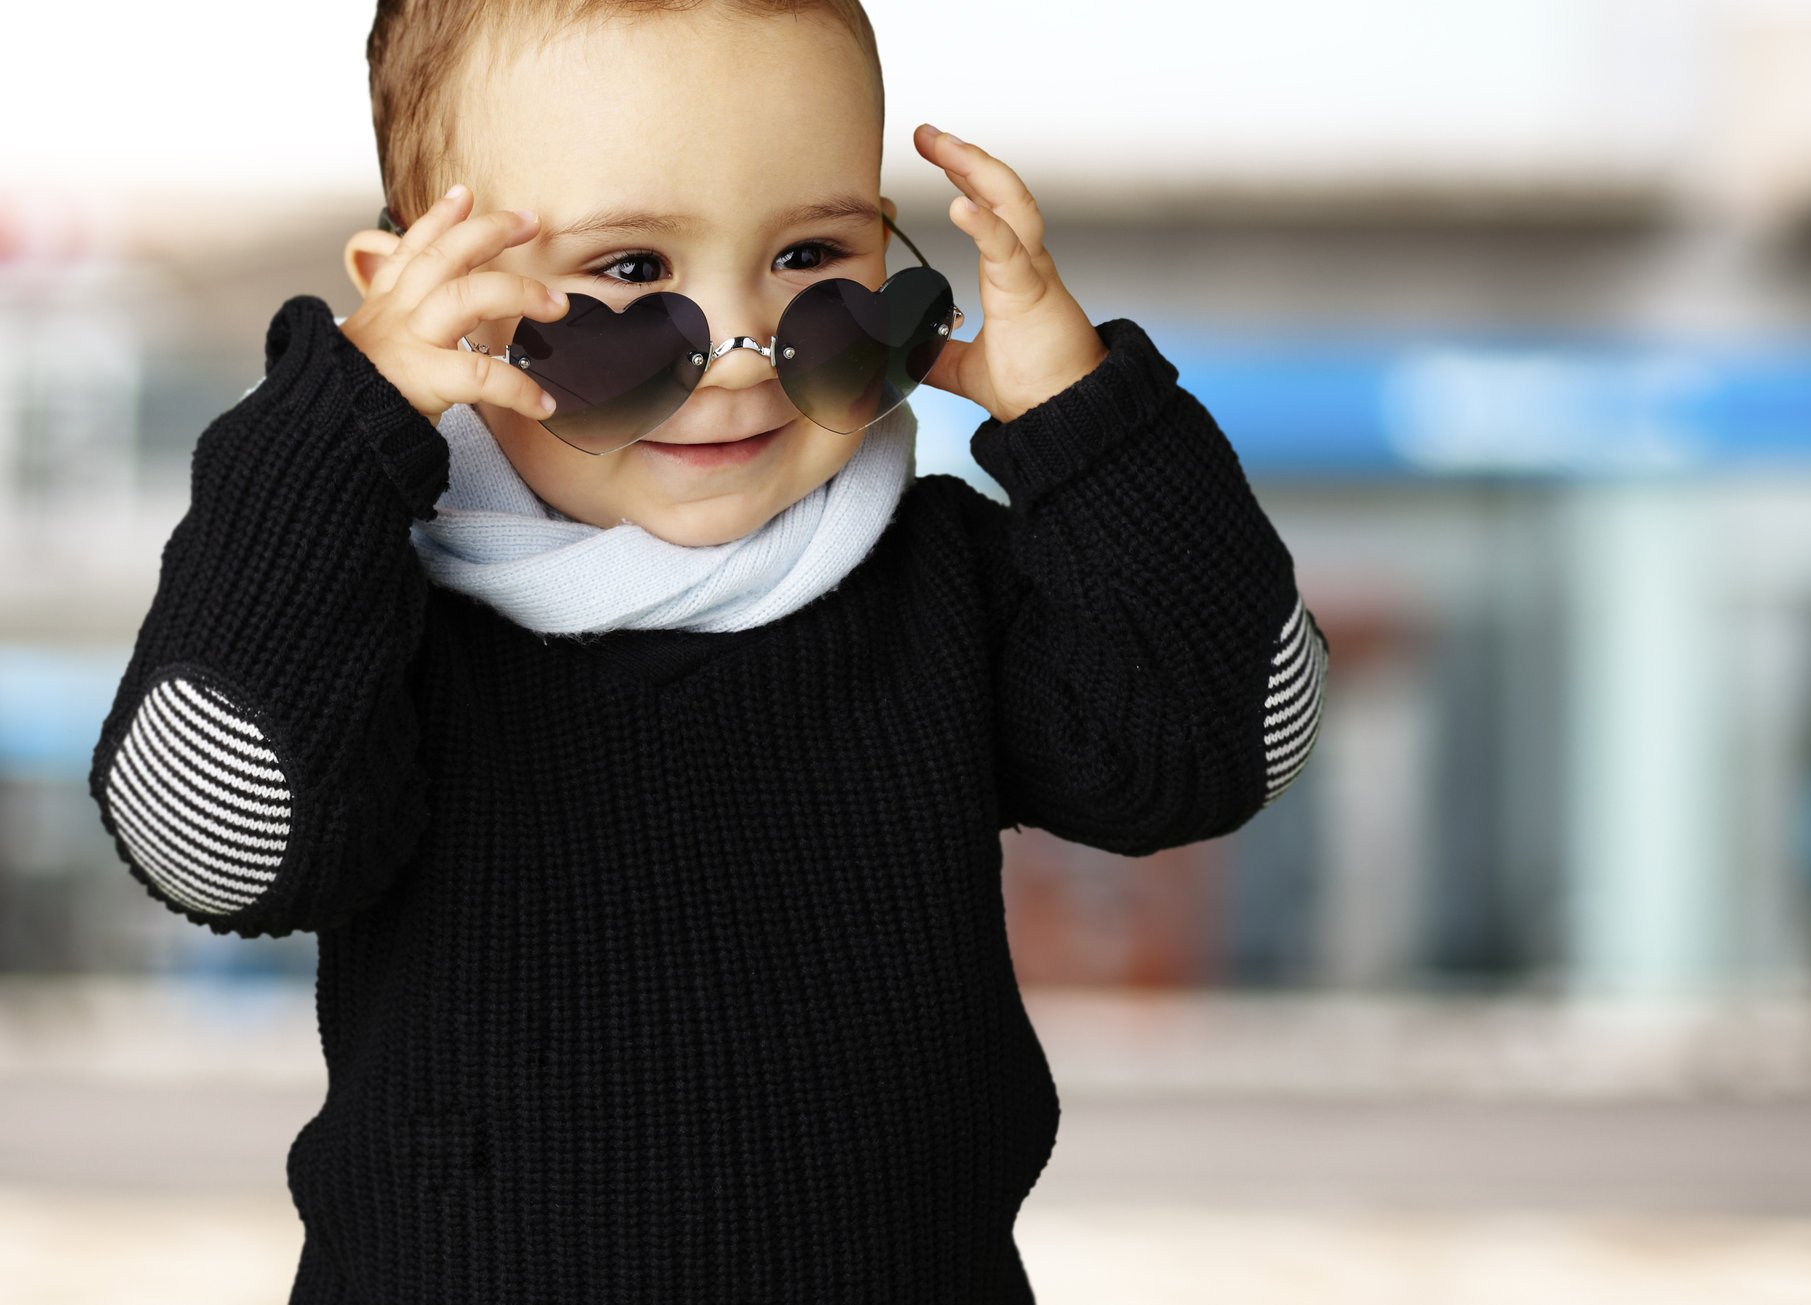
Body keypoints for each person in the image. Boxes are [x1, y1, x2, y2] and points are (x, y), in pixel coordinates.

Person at [85, 1, 1330, 1300]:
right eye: (629, 275)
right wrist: (333, 439)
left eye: (810, 253)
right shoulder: (370, 613)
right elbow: (216, 843)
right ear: (416, 298)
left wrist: (1090, 419)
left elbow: (1229, 738)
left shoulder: (935, 574)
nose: (741, 354)